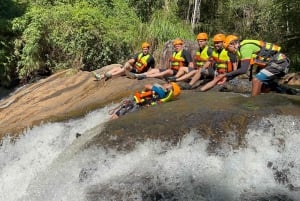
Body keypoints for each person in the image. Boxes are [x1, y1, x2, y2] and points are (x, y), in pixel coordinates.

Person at [220, 35, 290, 96]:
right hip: (275, 64)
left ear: (232, 44)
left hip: (279, 63)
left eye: (227, 48)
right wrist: (227, 78)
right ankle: (262, 105)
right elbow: (239, 70)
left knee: (256, 80)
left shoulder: (245, 47)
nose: (227, 51)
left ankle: (252, 105)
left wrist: (226, 75)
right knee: (263, 88)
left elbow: (243, 70)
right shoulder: (240, 51)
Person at [125, 38, 194, 80]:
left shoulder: (185, 53)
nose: (177, 47)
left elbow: (190, 63)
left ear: (182, 45)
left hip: (178, 72)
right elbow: (171, 64)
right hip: (172, 70)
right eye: (175, 46)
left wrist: (188, 74)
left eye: (178, 46)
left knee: (167, 71)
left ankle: (146, 76)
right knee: (155, 70)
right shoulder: (174, 53)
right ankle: (138, 75)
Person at [109, 82, 181, 119]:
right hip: (140, 105)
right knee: (122, 116)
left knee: (117, 115)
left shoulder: (160, 90)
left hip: (136, 102)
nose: (166, 83)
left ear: (170, 89)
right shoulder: (164, 96)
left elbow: (146, 85)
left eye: (169, 84)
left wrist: (157, 86)